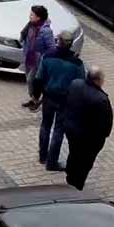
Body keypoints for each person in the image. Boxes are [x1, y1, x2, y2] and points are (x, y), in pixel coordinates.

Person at [34, 30, 86, 171]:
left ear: (58, 42)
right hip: (66, 101)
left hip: (49, 97)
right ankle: (52, 162)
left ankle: (42, 156)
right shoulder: (77, 63)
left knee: (45, 125)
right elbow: (81, 85)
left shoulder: (47, 57)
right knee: (59, 130)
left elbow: (39, 78)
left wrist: (36, 95)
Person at [62, 67, 112, 190]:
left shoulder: (75, 84)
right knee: (84, 163)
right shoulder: (101, 99)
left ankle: (70, 174)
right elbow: (106, 124)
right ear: (99, 80)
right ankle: (76, 184)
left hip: (71, 129)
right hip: (89, 139)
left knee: (74, 153)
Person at [21, 5, 55, 111]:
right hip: (29, 57)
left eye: (32, 15)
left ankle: (36, 100)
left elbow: (51, 47)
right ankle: (33, 99)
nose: (30, 16)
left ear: (38, 17)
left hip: (38, 60)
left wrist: (43, 58)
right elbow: (24, 35)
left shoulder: (46, 31)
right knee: (29, 79)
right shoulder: (31, 25)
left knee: (31, 80)